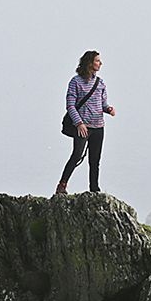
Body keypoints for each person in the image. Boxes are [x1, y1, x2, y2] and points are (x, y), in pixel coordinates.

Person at [56, 50, 115, 195]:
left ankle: (94, 189)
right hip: (82, 126)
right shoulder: (75, 82)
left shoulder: (100, 82)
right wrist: (79, 123)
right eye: (97, 61)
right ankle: (62, 185)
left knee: (95, 160)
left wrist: (108, 109)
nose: (100, 63)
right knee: (77, 155)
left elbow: (102, 103)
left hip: (98, 126)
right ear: (89, 63)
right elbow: (70, 105)